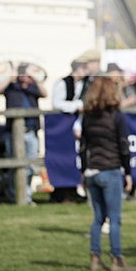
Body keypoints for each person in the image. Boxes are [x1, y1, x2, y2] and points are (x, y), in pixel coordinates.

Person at [79, 77, 136, 271]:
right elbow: (123, 147)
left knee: (98, 219)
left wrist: (83, 173)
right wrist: (128, 173)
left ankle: (95, 259)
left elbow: (83, 147)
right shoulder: (116, 115)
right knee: (114, 218)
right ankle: (117, 260)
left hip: (92, 171)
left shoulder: (87, 116)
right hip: (110, 171)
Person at [0, 63, 47, 204]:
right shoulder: (12, 87)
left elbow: (45, 94)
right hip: (13, 133)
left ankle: (27, 196)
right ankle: (15, 197)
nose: (24, 76)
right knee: (15, 166)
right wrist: (10, 77)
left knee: (31, 165)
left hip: (31, 131)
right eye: (22, 73)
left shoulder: (33, 88)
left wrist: (35, 79)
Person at [50, 57, 87, 202]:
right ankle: (61, 192)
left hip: (78, 125)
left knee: (78, 158)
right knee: (63, 158)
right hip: (63, 128)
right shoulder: (63, 83)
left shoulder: (85, 83)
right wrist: (76, 106)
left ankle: (76, 189)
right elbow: (56, 103)